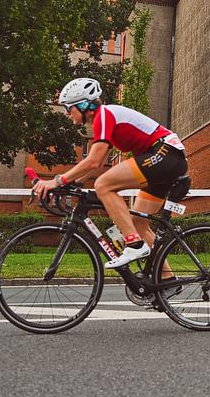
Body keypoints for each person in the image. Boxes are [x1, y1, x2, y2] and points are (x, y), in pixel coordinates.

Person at [34, 78, 188, 273]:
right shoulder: (104, 120)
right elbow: (97, 163)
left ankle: (134, 245)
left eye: (68, 108)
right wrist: (72, 183)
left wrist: (57, 181)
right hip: (165, 159)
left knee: (103, 185)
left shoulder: (104, 115)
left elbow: (93, 161)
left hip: (164, 153)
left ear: (84, 105)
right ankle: (167, 279)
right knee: (138, 223)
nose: (67, 113)